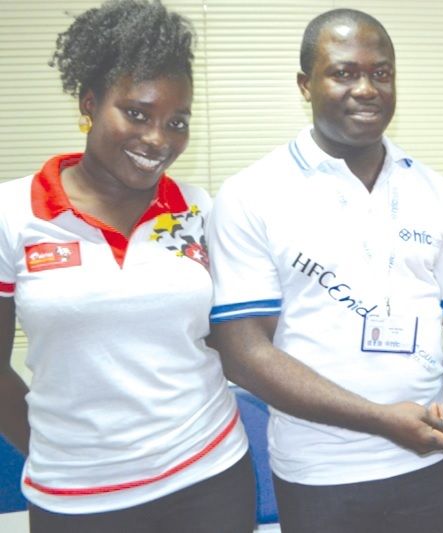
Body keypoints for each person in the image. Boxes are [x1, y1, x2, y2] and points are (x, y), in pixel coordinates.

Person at [204, 8, 443, 533]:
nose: (366, 88)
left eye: (381, 73)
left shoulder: (436, 192)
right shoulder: (251, 195)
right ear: (305, 84)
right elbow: (244, 354)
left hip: (435, 458)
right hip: (322, 475)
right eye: (344, 72)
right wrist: (383, 420)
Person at [0, 1, 255, 532]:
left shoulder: (200, 209)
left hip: (208, 476)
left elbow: (231, 343)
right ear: (90, 102)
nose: (158, 138)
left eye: (176, 121)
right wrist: (59, 452)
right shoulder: (13, 213)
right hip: (76, 499)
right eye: (137, 113)